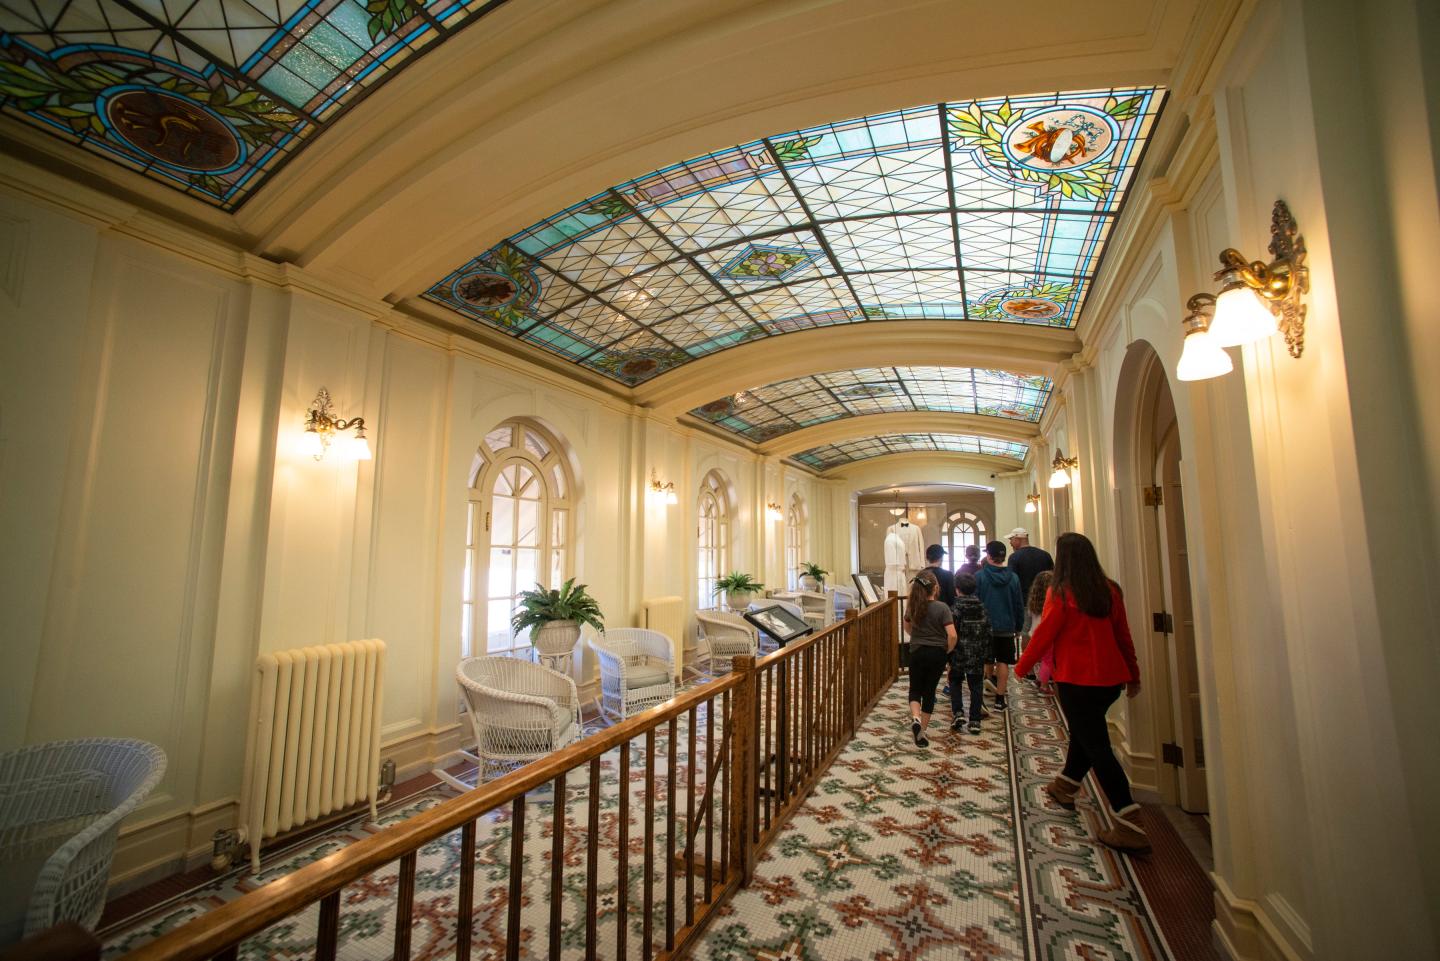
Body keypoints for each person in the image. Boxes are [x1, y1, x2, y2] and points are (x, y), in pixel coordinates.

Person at [1014, 532, 1146, 853]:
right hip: (1110, 680)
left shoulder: (1061, 593)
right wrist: (1133, 673)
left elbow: (1045, 633)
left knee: (1097, 746)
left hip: (1076, 679)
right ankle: (1066, 785)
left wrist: (1021, 667)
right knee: (1086, 734)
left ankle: (1129, 821)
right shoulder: (1109, 590)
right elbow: (1123, 635)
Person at [904, 570, 955, 748]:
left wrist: (916, 636)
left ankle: (916, 719)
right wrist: (947, 649)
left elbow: (907, 627)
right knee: (929, 692)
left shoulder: (913, 607)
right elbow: (952, 635)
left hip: (917, 651)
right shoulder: (942, 608)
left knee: (915, 689)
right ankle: (922, 731)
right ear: (935, 588)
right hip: (937, 653)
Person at [975, 540, 1023, 709]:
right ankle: (1000, 699)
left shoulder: (980, 576)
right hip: (1006, 626)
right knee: (1003, 661)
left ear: (989, 556)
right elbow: (1018, 604)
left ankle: (985, 688)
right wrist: (1018, 626)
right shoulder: (1014, 578)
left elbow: (975, 602)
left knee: (984, 659)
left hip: (984, 626)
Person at [948, 573, 990, 734]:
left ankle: (958, 713)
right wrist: (987, 654)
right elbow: (988, 632)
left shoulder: (955, 609)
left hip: (958, 652)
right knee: (976, 686)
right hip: (977, 653)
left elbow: (952, 632)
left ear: (957, 589)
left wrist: (948, 653)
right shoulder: (982, 608)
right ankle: (975, 720)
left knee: (955, 682)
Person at [1006, 527, 1054, 662]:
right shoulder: (1045, 555)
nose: (1010, 543)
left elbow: (1012, 581)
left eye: (1011, 539)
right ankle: (1044, 662)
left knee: (1026, 633)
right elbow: (1053, 577)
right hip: (1045, 600)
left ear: (1018, 539)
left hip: (1024, 601)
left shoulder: (1014, 557)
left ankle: (1029, 665)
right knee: (1045, 631)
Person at [1027, 571, 1055, 694]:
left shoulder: (1034, 601)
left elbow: (1030, 614)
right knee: (1048, 661)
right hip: (1045, 634)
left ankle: (1039, 678)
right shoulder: (1051, 601)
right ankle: (1044, 685)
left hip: (1034, 633)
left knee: (1042, 659)